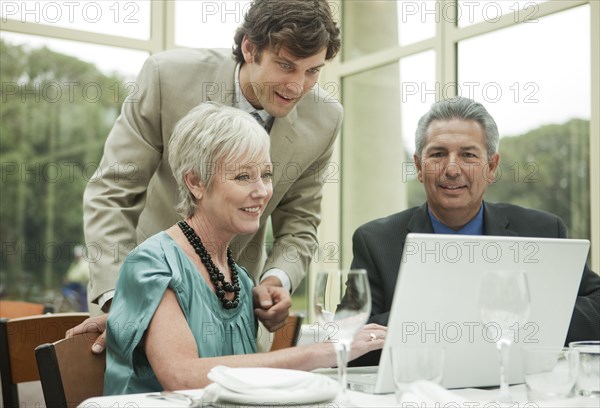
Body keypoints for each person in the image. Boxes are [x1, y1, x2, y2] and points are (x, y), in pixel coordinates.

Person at [70, 0, 343, 352]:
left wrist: (278, 278)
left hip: (238, 313)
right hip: (145, 297)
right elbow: (112, 192)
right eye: (286, 66)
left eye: (313, 71)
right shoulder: (167, 77)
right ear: (249, 48)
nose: (297, 86)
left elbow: (301, 222)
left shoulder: (325, 119)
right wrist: (123, 299)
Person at [103, 102, 385, 394]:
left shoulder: (240, 278)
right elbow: (182, 376)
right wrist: (322, 352)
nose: (262, 191)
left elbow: (241, 382)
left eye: (266, 174)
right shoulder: (153, 264)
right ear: (196, 182)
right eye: (243, 176)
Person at [350, 96, 600, 366]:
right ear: (419, 167)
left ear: (491, 167)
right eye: (438, 154)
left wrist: (526, 315)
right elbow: (348, 340)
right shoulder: (375, 241)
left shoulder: (542, 231)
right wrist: (451, 312)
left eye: (468, 155)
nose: (452, 169)